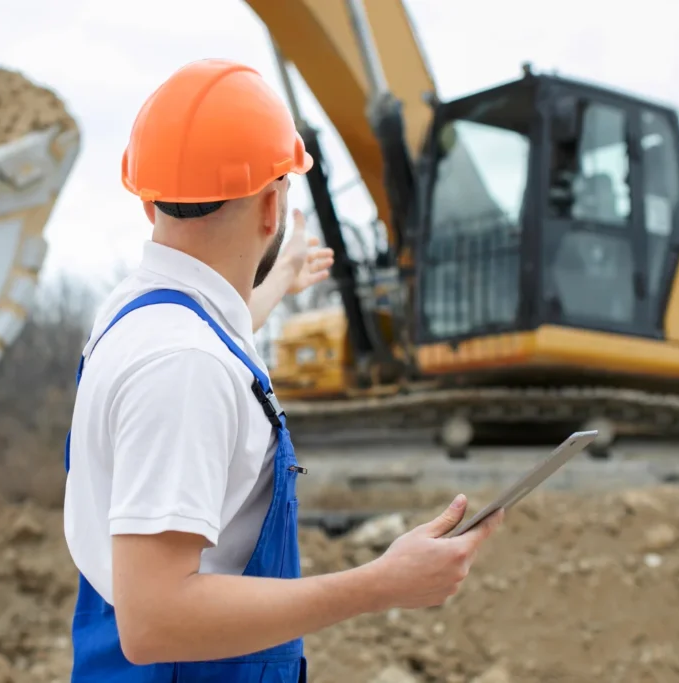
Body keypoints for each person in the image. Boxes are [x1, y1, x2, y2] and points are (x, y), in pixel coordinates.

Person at [63, 58, 504, 682]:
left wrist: (280, 282)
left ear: (148, 200)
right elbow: (155, 620)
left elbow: (213, 340)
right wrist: (379, 583)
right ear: (271, 208)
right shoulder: (185, 368)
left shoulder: (137, 314)